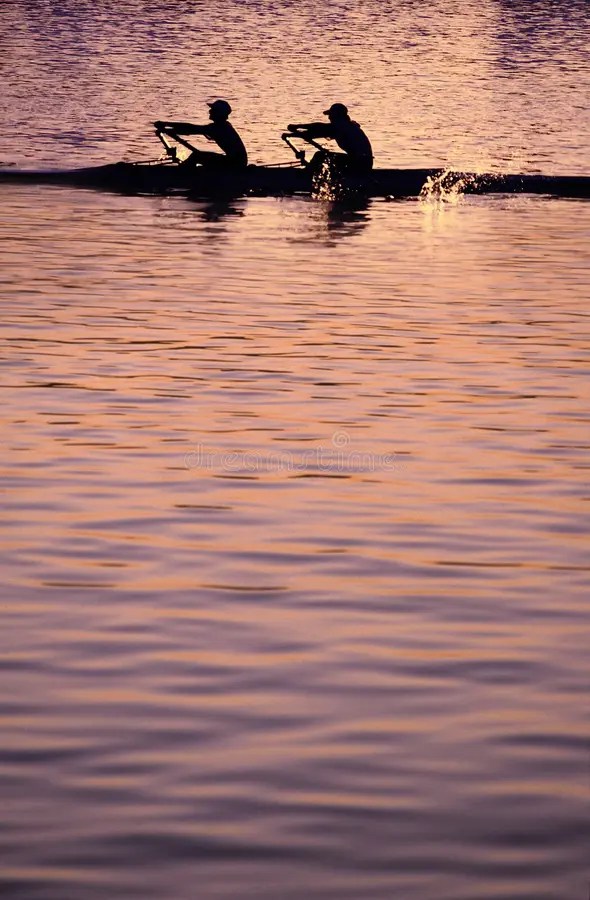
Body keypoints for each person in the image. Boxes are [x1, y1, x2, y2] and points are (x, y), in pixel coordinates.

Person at [154, 99, 248, 170]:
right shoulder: (222, 125)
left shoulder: (219, 128)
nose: (210, 111)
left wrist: (166, 125)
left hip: (235, 164)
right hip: (236, 162)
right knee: (198, 156)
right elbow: (190, 129)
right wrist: (168, 128)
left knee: (197, 156)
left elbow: (191, 129)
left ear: (218, 113)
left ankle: (181, 175)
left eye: (213, 110)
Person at [287, 103, 373, 174]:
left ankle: (305, 177)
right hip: (363, 163)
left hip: (360, 164)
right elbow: (317, 132)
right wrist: (296, 134)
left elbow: (319, 127)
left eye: (331, 115)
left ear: (337, 116)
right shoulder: (345, 126)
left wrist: (297, 127)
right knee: (326, 159)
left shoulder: (342, 127)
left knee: (320, 155)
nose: (329, 118)